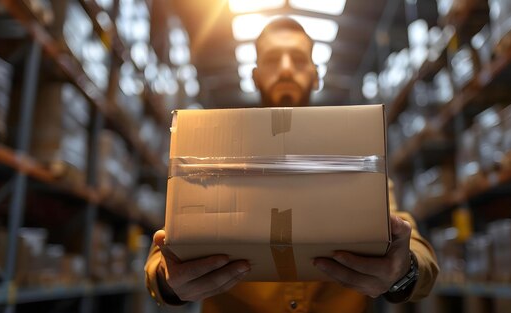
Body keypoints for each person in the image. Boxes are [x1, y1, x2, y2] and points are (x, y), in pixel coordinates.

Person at [145, 17, 438, 313]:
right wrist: (167, 280)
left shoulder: (355, 156)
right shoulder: (214, 151)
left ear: (315, 75)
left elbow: (412, 244)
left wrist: (404, 270)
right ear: (256, 76)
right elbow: (166, 246)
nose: (285, 68)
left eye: (298, 59)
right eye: (272, 59)